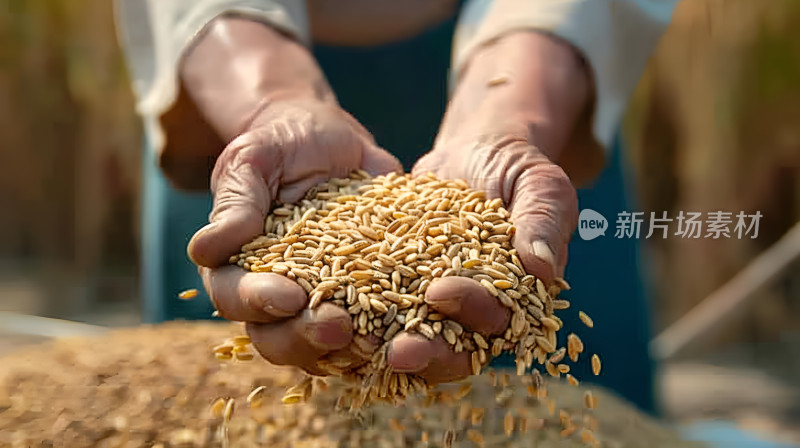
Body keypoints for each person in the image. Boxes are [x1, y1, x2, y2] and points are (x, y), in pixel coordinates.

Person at [115, 0, 677, 413]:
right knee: (236, 406)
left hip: (540, 76)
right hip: (225, 83)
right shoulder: (273, 162)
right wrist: (269, 102)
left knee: (562, 398)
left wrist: (511, 114)